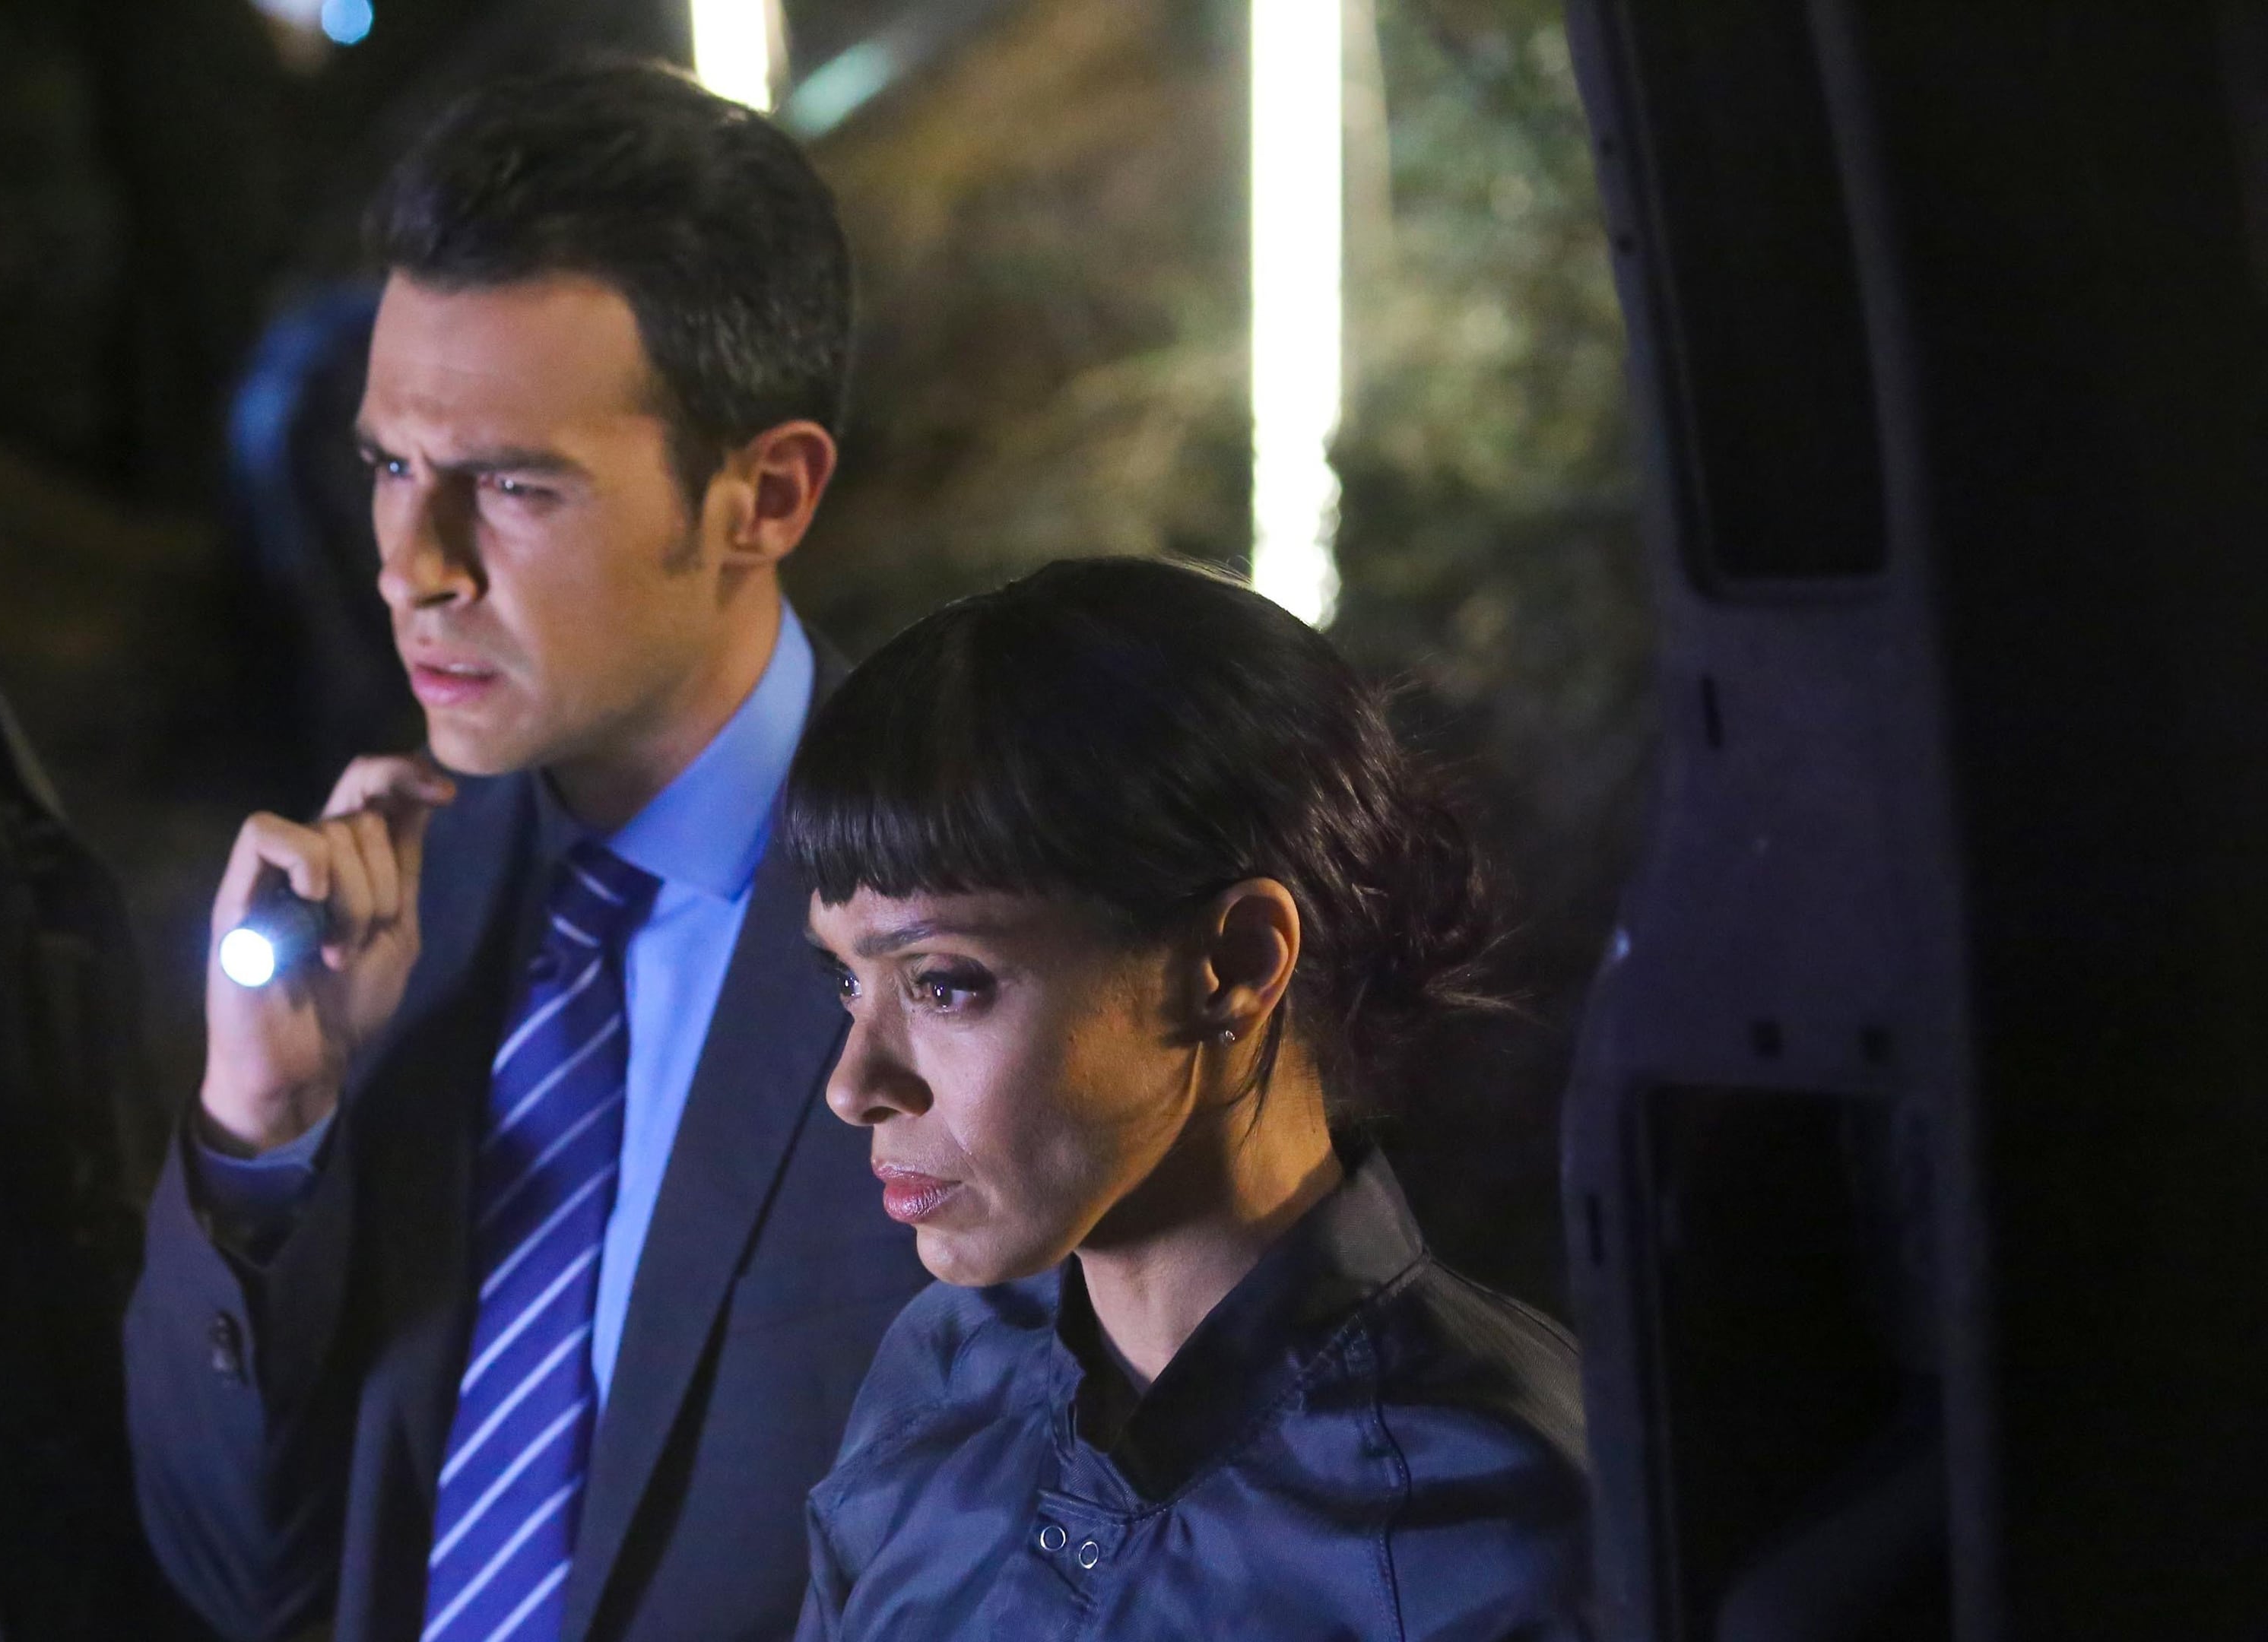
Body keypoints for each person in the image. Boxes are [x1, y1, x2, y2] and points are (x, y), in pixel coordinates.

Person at [122, 62, 930, 1642]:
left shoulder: (970, 931)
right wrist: (261, 1133)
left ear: (766, 495)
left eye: (508, 484)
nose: (412, 568)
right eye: (388, 467)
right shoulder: (386, 913)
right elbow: (240, 1580)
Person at [785, 558, 1592, 1640]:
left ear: (1235, 963)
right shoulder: (944, 1376)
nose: (854, 1086)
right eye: (847, 981)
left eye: (943, 984)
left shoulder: (1486, 1518)